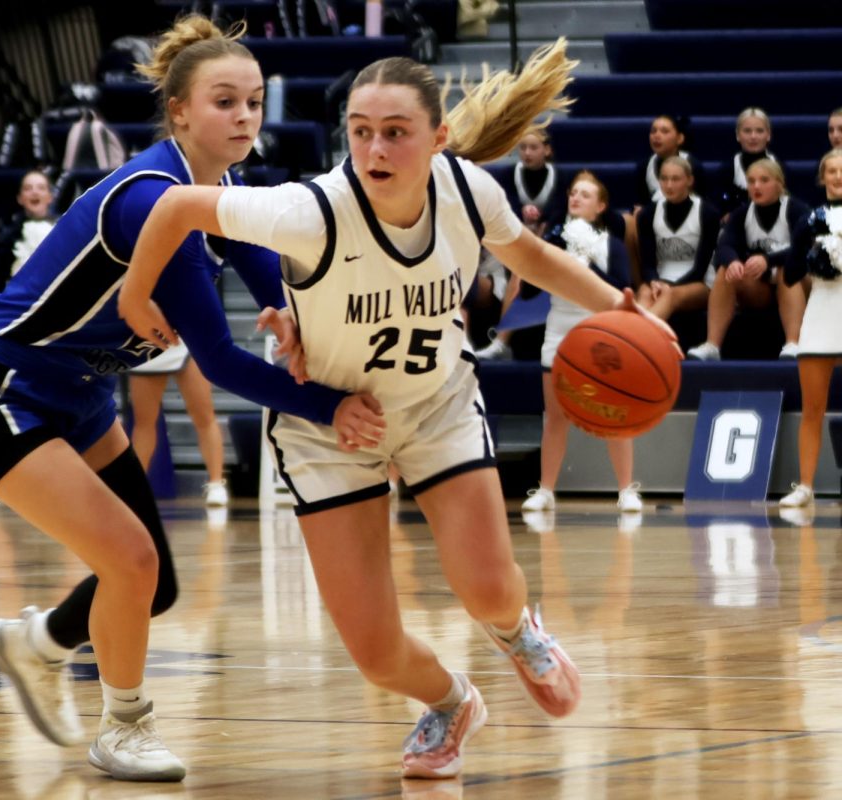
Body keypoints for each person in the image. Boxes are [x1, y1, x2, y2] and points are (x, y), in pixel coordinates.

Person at [118, 41, 677, 778]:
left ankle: (517, 630)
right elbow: (176, 204)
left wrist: (621, 308)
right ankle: (450, 702)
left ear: (438, 138)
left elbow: (530, 257)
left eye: (394, 131)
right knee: (376, 654)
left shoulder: (468, 191)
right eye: (359, 130)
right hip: (328, 430)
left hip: (435, 403)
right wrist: (135, 294)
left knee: (486, 586)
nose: (374, 149)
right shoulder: (310, 211)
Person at [0, 15, 382, 782]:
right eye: (224, 102)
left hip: (81, 395)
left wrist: (294, 314)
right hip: (5, 391)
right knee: (132, 559)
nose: (243, 116)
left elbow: (262, 273)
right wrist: (331, 405)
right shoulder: (154, 201)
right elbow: (220, 361)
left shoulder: (226, 186)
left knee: (155, 582)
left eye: (253, 101)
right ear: (179, 111)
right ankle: (124, 729)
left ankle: (37, 643)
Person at [520, 171, 640, 514]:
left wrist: (583, 262)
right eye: (573, 193)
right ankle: (545, 490)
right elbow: (529, 291)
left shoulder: (611, 245)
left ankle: (626, 489)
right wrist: (546, 252)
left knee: (613, 414)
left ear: (600, 206)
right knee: (555, 417)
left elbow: (621, 289)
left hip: (600, 333)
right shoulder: (555, 241)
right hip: (558, 332)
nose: (576, 198)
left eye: (585, 195)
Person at [687, 159, 810, 361]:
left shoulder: (798, 210)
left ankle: (793, 343)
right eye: (751, 181)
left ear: (780, 183)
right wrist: (733, 261)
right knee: (726, 271)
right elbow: (725, 246)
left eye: (764, 180)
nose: (756, 186)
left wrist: (768, 260)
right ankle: (712, 345)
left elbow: (803, 249)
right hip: (762, 289)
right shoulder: (742, 213)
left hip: (799, 283)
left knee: (784, 269)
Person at [777, 148, 842, 508]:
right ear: (822, 178)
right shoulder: (810, 218)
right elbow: (789, 274)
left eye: (841, 170)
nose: (837, 176)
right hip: (820, 311)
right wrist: (812, 255)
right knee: (812, 408)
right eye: (830, 171)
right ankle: (804, 486)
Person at [475, 131, 563, 361]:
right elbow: (502, 207)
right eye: (523, 148)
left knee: (520, 271)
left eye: (533, 148)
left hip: (544, 243)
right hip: (509, 242)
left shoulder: (559, 176)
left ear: (547, 150)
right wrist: (518, 218)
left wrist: (542, 221)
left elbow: (558, 213)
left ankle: (502, 340)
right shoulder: (507, 174)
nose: (527, 153)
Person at [129, 345, 230, 506]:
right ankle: (134, 489)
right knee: (144, 421)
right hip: (147, 344)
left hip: (184, 343)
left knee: (203, 415)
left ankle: (216, 484)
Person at [637, 156, 721, 321]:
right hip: (660, 279)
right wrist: (654, 281)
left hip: (700, 282)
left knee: (669, 295)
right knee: (644, 292)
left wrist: (667, 287)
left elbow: (700, 269)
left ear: (689, 180)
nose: (669, 185)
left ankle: (639, 337)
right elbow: (647, 264)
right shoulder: (647, 214)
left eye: (675, 179)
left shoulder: (707, 213)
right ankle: (633, 339)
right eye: (664, 179)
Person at [0, 169, 57, 282]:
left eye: (41, 188)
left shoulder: (62, 231)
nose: (34, 192)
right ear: (20, 198)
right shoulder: (8, 237)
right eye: (28, 188)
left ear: (50, 197)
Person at [634, 114, 707, 210]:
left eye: (664, 131)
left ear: (680, 138)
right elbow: (640, 202)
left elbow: (703, 202)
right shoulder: (644, 166)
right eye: (653, 131)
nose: (656, 136)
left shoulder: (693, 166)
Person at [717, 108, 778, 215]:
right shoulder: (726, 170)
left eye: (759, 131)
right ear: (737, 135)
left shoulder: (781, 169)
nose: (753, 137)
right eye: (747, 131)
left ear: (768, 135)